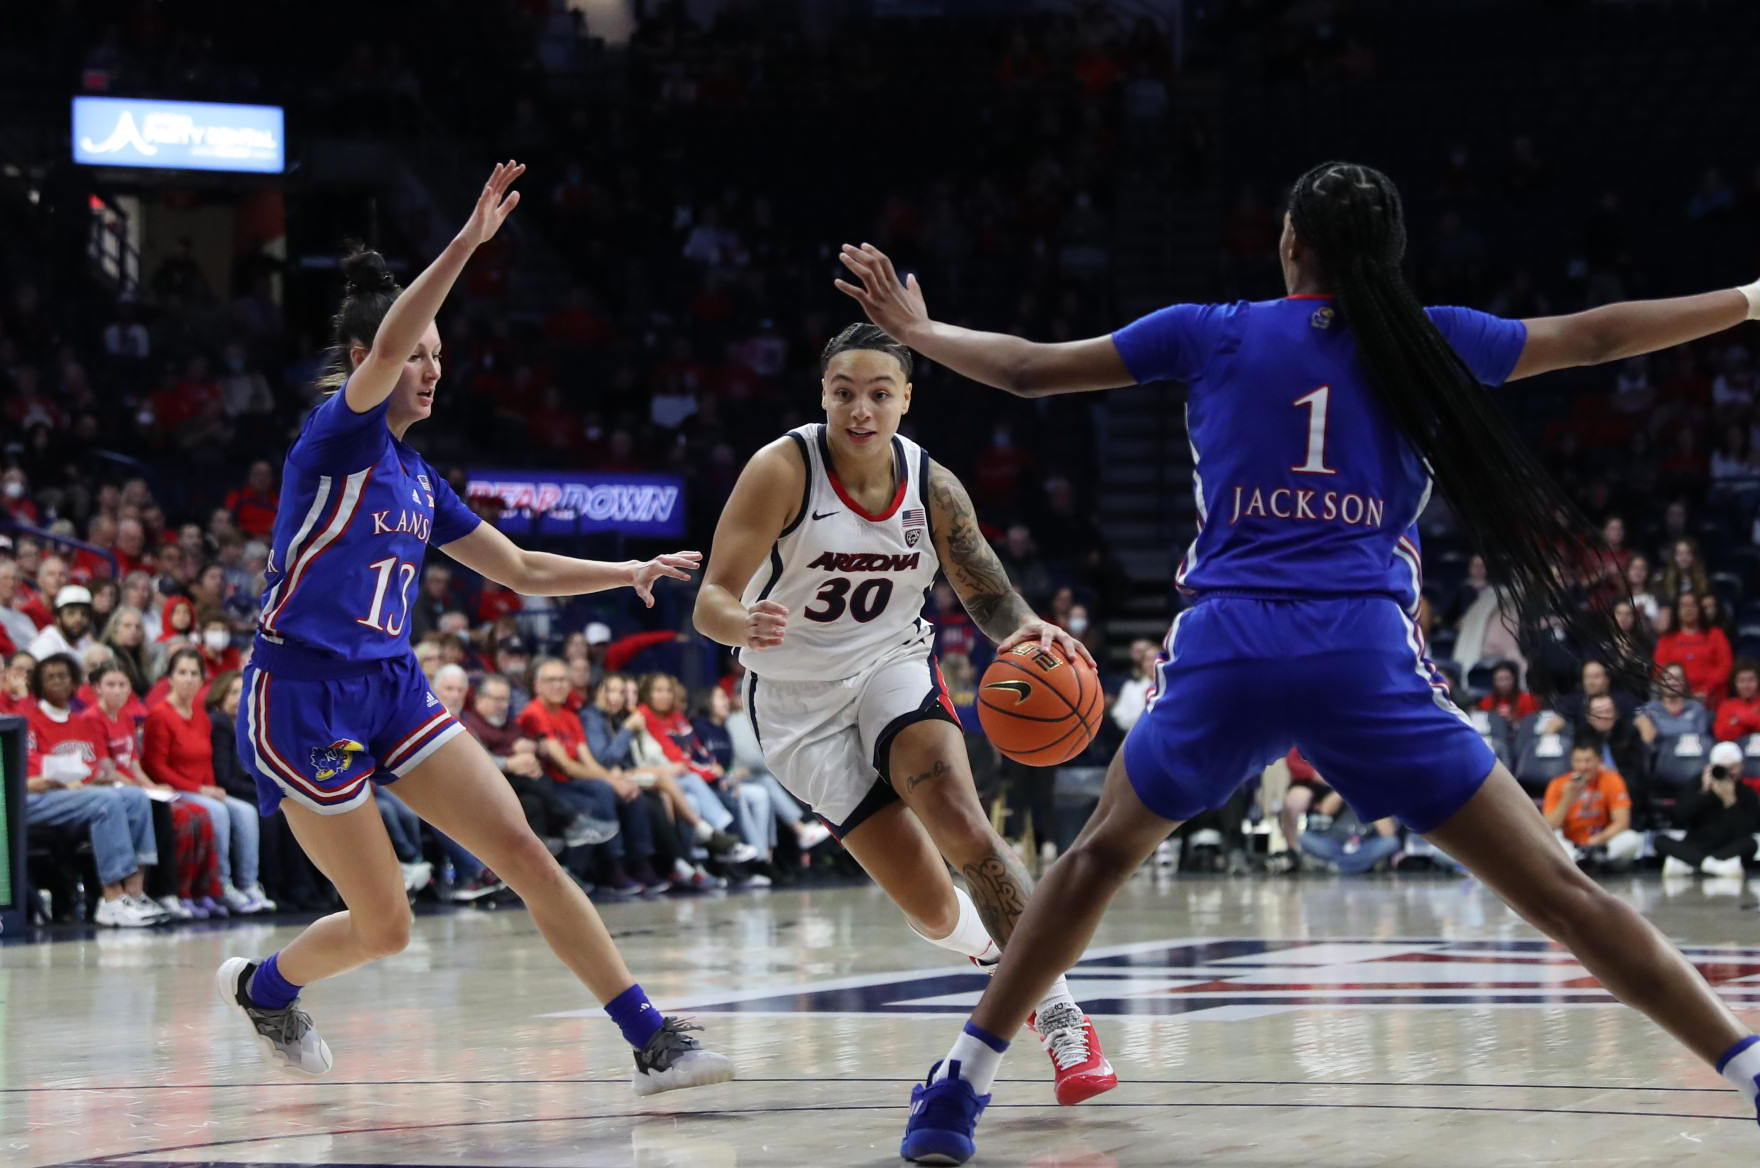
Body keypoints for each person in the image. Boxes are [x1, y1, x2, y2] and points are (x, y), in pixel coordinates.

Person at [833, 162, 1760, 1159]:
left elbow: (1025, 368)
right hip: (1358, 657)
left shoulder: (1211, 328)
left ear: (1288, 246)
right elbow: (1600, 334)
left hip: (1229, 648)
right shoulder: (1431, 338)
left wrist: (920, 333)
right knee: (1561, 894)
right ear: (1388, 255)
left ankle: (957, 1087)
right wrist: (1749, 298)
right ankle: (1747, 1068)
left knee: (1095, 857)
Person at [217, 162, 729, 1096]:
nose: (432, 368)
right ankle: (264, 988)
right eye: (418, 353)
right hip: (300, 697)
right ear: (377, 356)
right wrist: (466, 245)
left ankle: (653, 1038)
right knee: (387, 926)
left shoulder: (419, 479)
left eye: (440, 357)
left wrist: (628, 570)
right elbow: (387, 348)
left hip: (391, 686)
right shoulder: (337, 438)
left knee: (524, 849)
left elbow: (522, 568)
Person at [693, 322, 1116, 1106]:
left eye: (879, 393)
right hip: (794, 704)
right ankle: (996, 959)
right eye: (845, 392)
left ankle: (1060, 1012)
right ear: (822, 394)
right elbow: (712, 598)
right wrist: (739, 621)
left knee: (962, 820)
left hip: (891, 665)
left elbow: (985, 588)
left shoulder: (932, 483)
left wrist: (1026, 631)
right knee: (927, 903)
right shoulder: (781, 469)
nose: (861, 408)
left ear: (905, 400)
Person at [22, 653, 166, 926]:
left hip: (78, 795)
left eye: (63, 676)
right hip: (36, 798)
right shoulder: (29, 720)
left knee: (135, 797)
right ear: (38, 683)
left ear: (75, 681)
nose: (57, 682)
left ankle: (134, 892)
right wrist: (64, 781)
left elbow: (94, 767)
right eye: (49, 677)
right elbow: (29, 776)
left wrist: (97, 777)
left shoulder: (82, 723)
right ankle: (111, 898)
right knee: (107, 801)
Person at [143, 648, 270, 914]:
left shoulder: (201, 715)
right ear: (170, 678)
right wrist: (199, 789)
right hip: (174, 789)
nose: (188, 679)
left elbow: (205, 760)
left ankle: (248, 885)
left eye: (194, 674)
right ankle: (218, 886)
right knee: (218, 812)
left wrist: (212, 788)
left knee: (246, 812)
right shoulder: (159, 714)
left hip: (201, 788)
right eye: (182, 673)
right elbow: (156, 767)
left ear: (202, 681)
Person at [1657, 741, 1760, 879]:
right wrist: (1704, 793)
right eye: (1722, 768)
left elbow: (1744, 832)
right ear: (1710, 767)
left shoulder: (1746, 793)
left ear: (1741, 766)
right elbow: (1679, 817)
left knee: (1751, 843)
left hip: (1727, 847)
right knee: (1660, 840)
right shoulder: (1696, 785)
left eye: (1733, 768)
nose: (1728, 773)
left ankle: (1692, 863)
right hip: (1696, 844)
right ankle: (1712, 866)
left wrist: (1730, 801)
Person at [1543, 742, 1643, 866]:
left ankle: (1591, 859)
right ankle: (1582, 859)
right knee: (1551, 842)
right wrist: (1567, 799)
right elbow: (1549, 826)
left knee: (1631, 838)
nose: (1583, 767)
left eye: (1588, 761)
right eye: (1578, 761)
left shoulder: (1612, 779)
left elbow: (1622, 822)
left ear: (1599, 760)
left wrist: (1599, 839)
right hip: (1570, 844)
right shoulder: (1558, 784)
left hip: (1601, 843)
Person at [1654, 592, 1733, 703]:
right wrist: (1680, 691)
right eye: (1683, 605)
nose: (1688, 609)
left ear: (1700, 609)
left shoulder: (1716, 634)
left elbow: (1725, 665)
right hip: (1677, 698)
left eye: (1692, 605)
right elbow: (1659, 669)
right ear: (1677, 610)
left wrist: (1706, 689)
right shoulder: (1667, 639)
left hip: (1712, 698)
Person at [28, 585, 97, 662]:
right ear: (57, 617)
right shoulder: (46, 644)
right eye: (71, 613)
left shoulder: (84, 641)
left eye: (84, 614)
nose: (78, 619)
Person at [1715, 661, 1760, 742]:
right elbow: (1721, 735)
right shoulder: (1727, 706)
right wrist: (1753, 717)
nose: (1746, 685)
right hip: (1737, 749)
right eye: (1741, 681)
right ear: (1735, 683)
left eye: (1751, 680)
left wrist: (1738, 719)